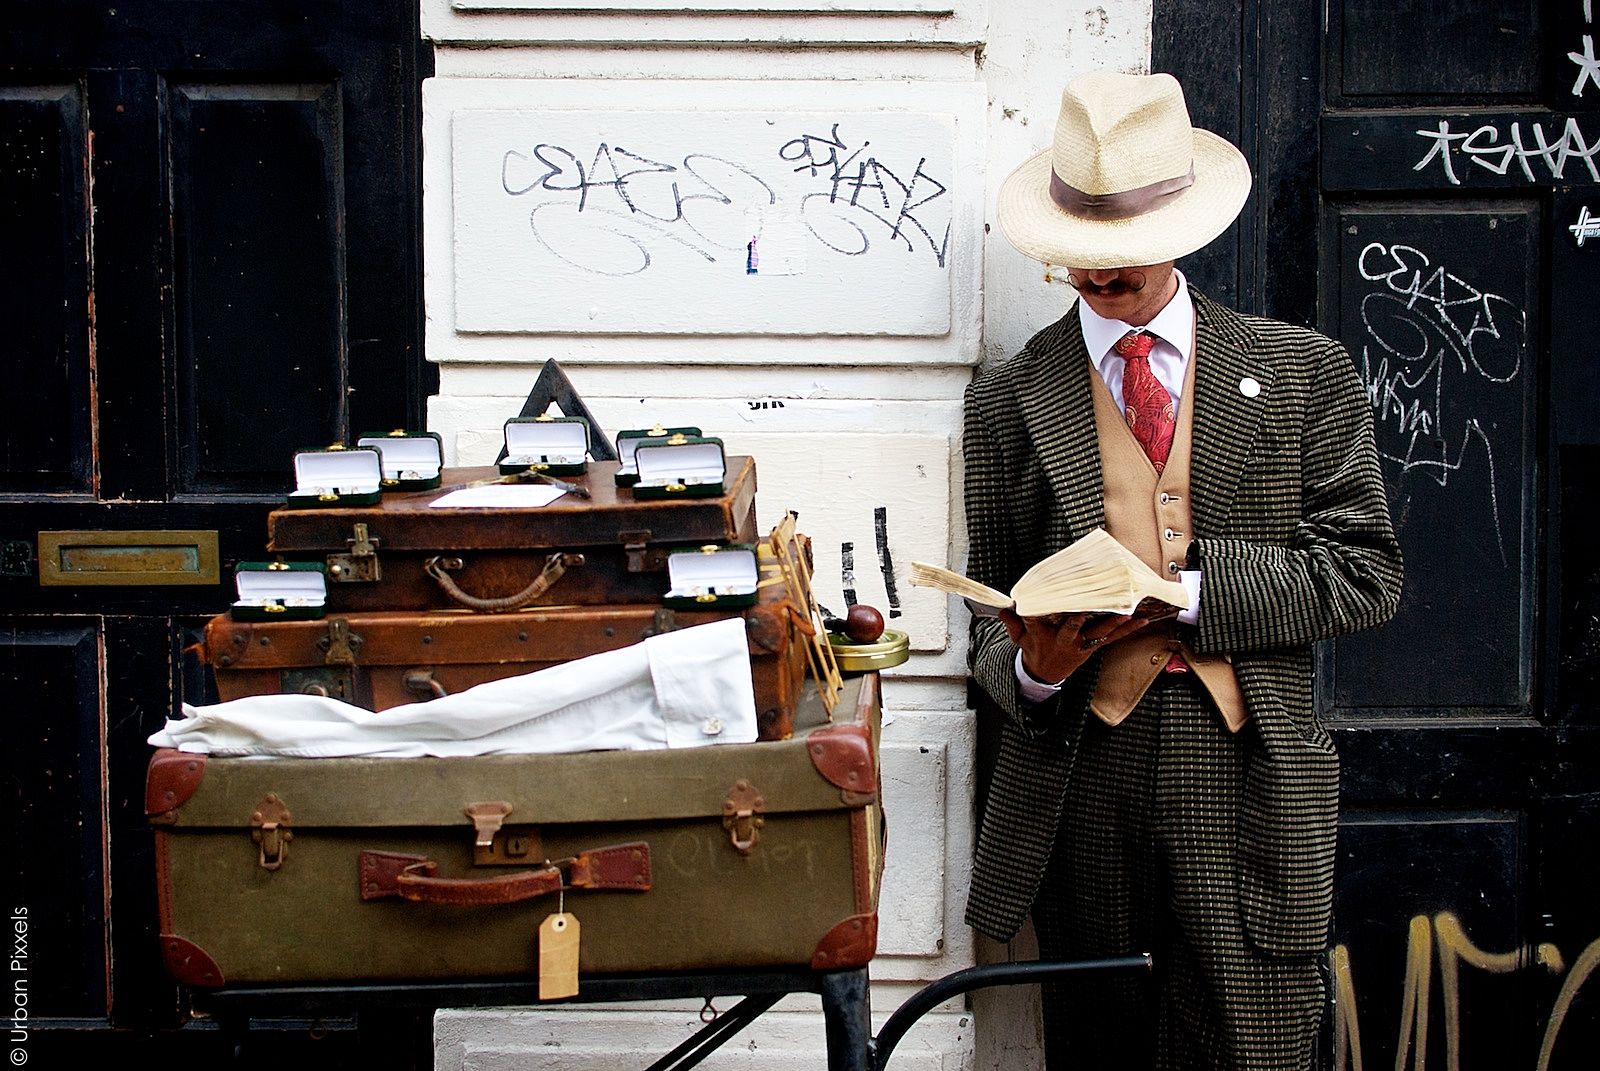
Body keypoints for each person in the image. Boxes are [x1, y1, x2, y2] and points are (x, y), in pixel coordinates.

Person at [962, 71, 1403, 1069]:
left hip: (1241, 758)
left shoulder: (1300, 373)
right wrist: (1034, 665)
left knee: (1253, 1045)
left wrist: (1188, 593)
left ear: (1182, 230)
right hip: (1082, 766)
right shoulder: (1007, 399)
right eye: (1081, 262)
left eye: (1121, 259)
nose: (1099, 280)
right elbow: (989, 607)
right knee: (1099, 1042)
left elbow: (1365, 572)